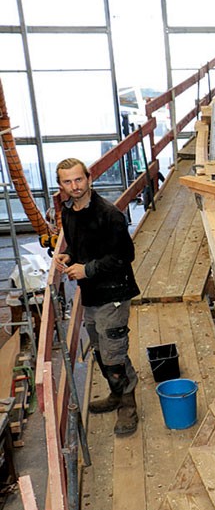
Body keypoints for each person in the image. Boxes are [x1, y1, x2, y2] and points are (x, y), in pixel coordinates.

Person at [53, 158, 141, 436]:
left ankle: (128, 405)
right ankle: (117, 394)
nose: (74, 186)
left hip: (114, 292)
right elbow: (81, 248)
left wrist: (87, 269)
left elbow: (125, 256)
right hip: (91, 294)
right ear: (61, 186)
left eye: (78, 179)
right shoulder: (68, 212)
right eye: (67, 182)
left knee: (114, 353)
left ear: (89, 178)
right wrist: (70, 256)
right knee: (102, 351)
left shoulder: (109, 214)